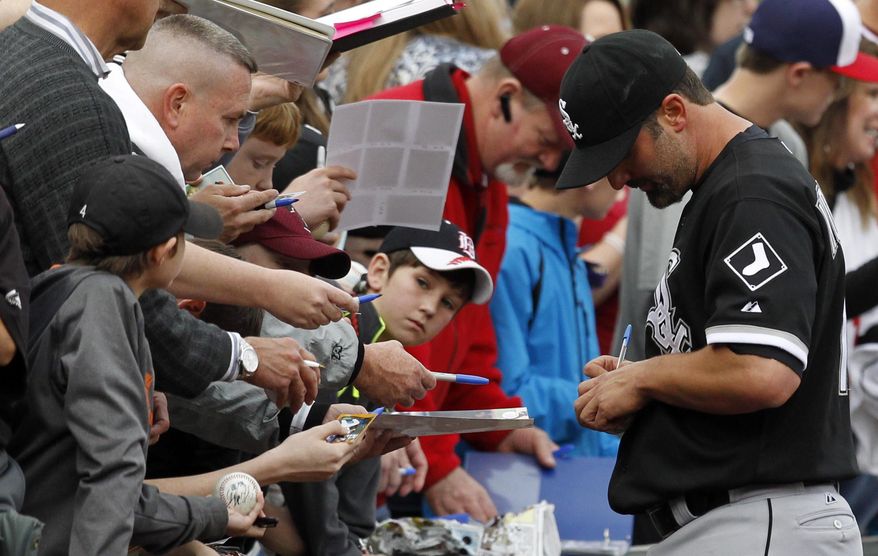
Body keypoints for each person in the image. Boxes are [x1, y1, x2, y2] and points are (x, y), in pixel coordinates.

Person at [559, 29, 860, 554]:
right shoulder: (727, 185)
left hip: (758, 516)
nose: (617, 179)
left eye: (623, 151)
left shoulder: (752, 192)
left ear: (674, 112)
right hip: (737, 518)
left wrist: (647, 378)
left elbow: (759, 369)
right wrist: (642, 387)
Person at [368, 25, 581, 521]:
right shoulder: (404, 134)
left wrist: (499, 421)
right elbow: (379, 321)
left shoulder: (490, 173)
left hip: (405, 453)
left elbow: (468, 327)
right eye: (548, 140)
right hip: (368, 458)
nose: (549, 163)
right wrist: (438, 464)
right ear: (505, 98)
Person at [9, 155, 268, 555]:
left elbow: (102, 492)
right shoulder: (105, 304)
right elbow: (111, 479)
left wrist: (211, 515)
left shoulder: (54, 286)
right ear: (164, 251)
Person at [614, 0, 877, 366]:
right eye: (837, 79)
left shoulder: (789, 142)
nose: (839, 91)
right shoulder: (684, 143)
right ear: (799, 73)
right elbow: (661, 305)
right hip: (677, 396)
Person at [283, 220, 488, 555]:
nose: (431, 307)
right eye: (423, 283)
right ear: (379, 270)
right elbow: (312, 477)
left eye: (449, 303)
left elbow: (355, 495)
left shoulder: (391, 357)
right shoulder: (337, 330)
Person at [491, 170, 620, 457]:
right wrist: (613, 393)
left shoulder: (566, 249)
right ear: (591, 176)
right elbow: (505, 394)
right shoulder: (511, 248)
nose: (622, 188)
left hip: (567, 469)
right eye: (618, 178)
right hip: (514, 477)